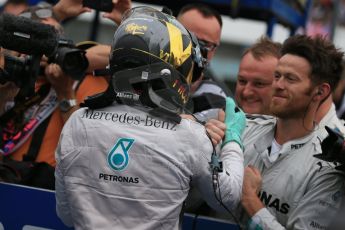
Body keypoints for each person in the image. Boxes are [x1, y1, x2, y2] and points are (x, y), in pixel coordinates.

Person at [55, 7, 246, 229]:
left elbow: (66, 213)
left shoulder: (78, 121)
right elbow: (227, 198)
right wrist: (233, 140)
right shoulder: (190, 135)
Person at [235, 34, 345, 230]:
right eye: (277, 76)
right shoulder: (243, 128)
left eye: (290, 79)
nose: (278, 85)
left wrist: (251, 201)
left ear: (320, 92)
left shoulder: (328, 166)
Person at [0, 3, 108, 189]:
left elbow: (87, 149)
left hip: (53, 189)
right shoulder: (11, 74)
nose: (41, 51)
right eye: (34, 42)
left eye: (51, 41)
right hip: (7, 181)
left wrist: (65, 92)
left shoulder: (82, 81)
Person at [235, 36, 281, 115]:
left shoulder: (299, 126)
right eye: (242, 81)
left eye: (259, 84)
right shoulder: (219, 122)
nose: (246, 92)